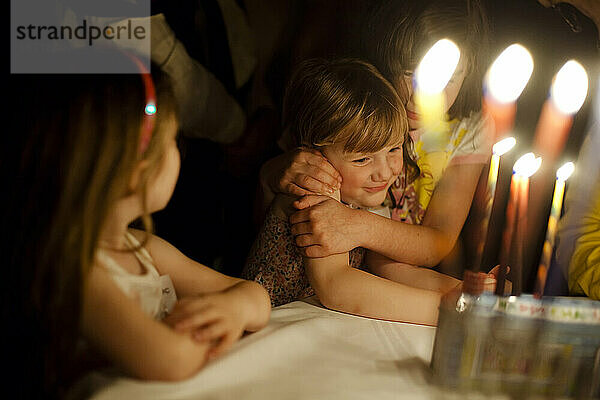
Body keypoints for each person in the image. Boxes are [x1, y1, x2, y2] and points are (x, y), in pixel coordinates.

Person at [2, 55, 271, 398]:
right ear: (136, 173)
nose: (180, 152)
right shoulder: (74, 273)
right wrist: (214, 331)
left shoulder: (145, 248)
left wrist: (235, 309)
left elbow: (255, 294)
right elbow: (170, 359)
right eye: (174, 141)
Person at [243, 58, 498, 325]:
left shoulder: (364, 194)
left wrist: (463, 291)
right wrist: (443, 309)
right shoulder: (314, 189)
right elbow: (336, 285)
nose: (385, 172)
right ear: (315, 153)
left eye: (393, 149)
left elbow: (389, 267)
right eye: (362, 159)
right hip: (265, 325)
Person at [258, 0, 493, 283]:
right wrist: (272, 173)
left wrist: (355, 226)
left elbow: (438, 242)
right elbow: (271, 220)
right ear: (387, 55)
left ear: (468, 75)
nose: (424, 96)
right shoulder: (352, 102)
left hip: (390, 282)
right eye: (409, 73)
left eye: (448, 79)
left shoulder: (468, 130)